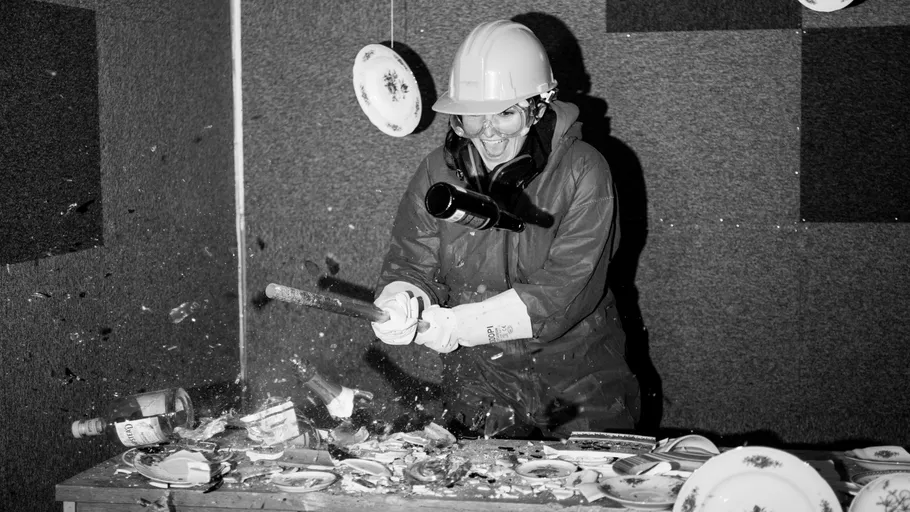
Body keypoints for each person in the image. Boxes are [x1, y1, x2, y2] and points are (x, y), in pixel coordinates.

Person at [370, 19, 640, 439]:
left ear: (537, 108)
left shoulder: (584, 171)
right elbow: (411, 264)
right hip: (478, 393)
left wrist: (461, 326)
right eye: (473, 116)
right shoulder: (435, 174)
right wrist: (402, 303)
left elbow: (562, 294)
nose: (489, 132)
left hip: (580, 391)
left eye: (506, 114)